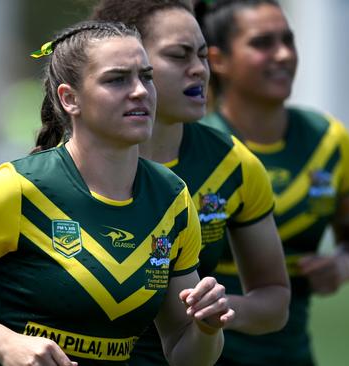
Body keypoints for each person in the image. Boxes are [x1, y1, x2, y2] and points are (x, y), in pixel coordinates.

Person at [0, 20, 235, 366]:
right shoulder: (18, 188)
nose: (140, 91)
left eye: (146, 76)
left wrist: (206, 328)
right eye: (117, 79)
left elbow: (182, 352)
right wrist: (5, 342)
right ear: (70, 99)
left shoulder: (172, 198)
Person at [89, 1, 291, 365]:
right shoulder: (58, 165)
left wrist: (217, 310)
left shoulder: (233, 165)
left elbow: (274, 301)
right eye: (179, 56)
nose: (199, 70)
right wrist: (40, 319)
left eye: (202, 55)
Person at [196, 1, 349, 365]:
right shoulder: (194, 145)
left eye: (288, 40)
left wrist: (342, 265)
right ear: (218, 60)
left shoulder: (328, 140)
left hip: (292, 355)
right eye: (262, 43)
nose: (283, 54)